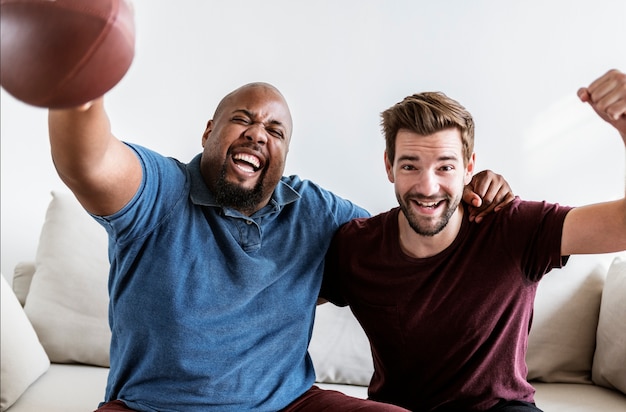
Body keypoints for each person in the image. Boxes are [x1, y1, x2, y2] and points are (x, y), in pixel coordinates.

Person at [48, 82, 512, 411]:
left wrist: (474, 196)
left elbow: (409, 244)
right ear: (209, 131)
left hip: (291, 405)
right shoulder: (159, 191)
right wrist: (79, 77)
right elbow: (88, 160)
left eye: (275, 131)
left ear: (284, 156)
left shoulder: (315, 210)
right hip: (154, 407)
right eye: (242, 120)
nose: (257, 134)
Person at [321, 69, 626, 412]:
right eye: (410, 166)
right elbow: (282, 300)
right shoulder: (357, 247)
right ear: (389, 166)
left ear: (469, 168)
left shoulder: (512, 227)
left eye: (445, 167)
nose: (427, 186)